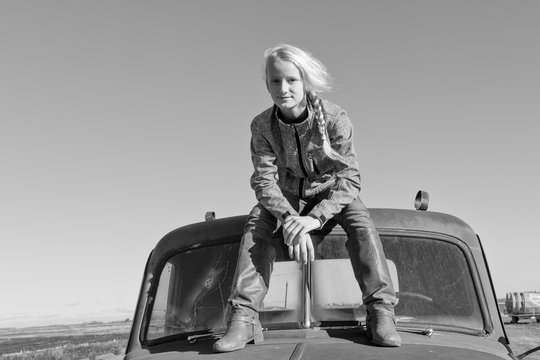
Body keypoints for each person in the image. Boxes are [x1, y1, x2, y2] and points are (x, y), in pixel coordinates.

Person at [213, 44, 400, 352]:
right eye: (275, 81)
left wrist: (314, 218)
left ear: (305, 81)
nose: (283, 88)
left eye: (291, 80)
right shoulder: (262, 126)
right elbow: (263, 180)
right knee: (257, 222)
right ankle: (244, 318)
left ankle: (380, 311)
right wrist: (290, 220)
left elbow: (350, 178)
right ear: (267, 83)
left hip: (332, 193)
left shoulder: (335, 118)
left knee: (361, 222)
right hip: (286, 198)